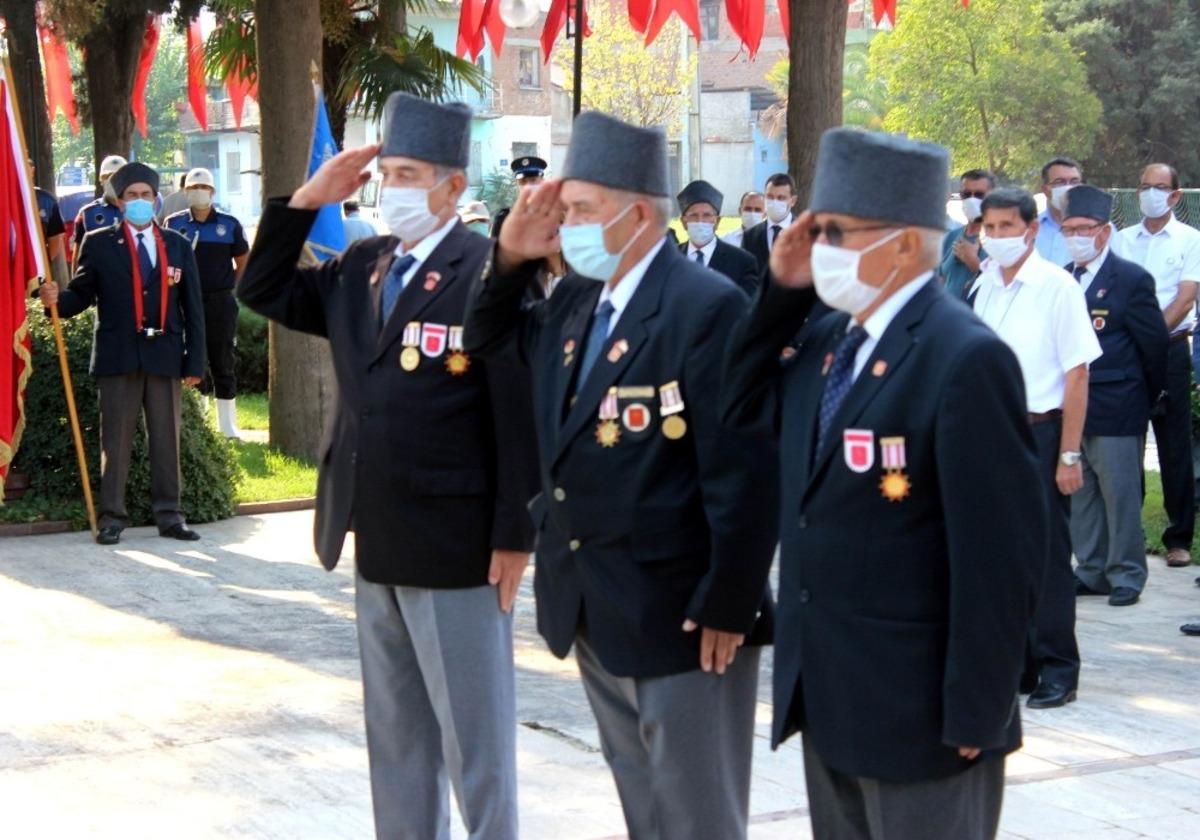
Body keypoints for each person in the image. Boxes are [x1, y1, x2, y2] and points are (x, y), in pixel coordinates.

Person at [720, 128, 1043, 840]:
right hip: (829, 696)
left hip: (922, 713)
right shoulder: (828, 342)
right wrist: (780, 292)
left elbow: (1001, 556)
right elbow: (735, 407)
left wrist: (979, 709)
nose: (819, 245)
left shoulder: (965, 359)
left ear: (902, 243)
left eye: (836, 231)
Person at [464, 111, 778, 840]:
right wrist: (509, 258)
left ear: (638, 214)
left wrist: (731, 601)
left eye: (579, 210)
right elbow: (488, 340)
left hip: (684, 612)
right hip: (593, 601)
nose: (565, 225)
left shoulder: (707, 307)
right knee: (644, 807)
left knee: (697, 816)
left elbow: (744, 469)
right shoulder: (577, 300)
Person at [237, 92, 538, 840]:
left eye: (410, 174)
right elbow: (260, 288)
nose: (392, 188)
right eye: (388, 174)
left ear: (453, 188)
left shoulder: (486, 273)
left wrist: (514, 534)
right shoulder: (363, 266)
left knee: (477, 744)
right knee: (397, 739)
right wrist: (307, 200)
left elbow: (516, 410)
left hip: (460, 545)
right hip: (375, 532)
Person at [973, 187, 1101, 709]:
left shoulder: (1055, 287)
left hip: (1041, 433)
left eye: (1008, 226)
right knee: (1000, 556)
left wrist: (1069, 454)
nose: (998, 236)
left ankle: (1057, 667)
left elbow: (1077, 375)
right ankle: (1019, 660)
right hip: (990, 436)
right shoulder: (983, 286)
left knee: (1047, 558)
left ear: (1031, 229)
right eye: (990, 226)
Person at [38, 162, 206, 546]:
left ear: (156, 198)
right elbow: (81, 294)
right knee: (114, 443)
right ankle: (112, 517)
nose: (140, 202)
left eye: (147, 195)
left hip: (165, 356)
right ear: (119, 201)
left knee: (167, 441)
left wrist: (194, 361)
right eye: (132, 196)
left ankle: (170, 516)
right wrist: (55, 301)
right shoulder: (98, 242)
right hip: (118, 356)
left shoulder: (178, 243)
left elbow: (194, 309)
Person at [1063, 186, 1169, 606]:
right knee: (1083, 493)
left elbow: (1154, 345)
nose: (1075, 236)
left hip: (1117, 402)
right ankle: (1091, 569)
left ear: (1104, 233)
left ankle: (1126, 572)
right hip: (1075, 406)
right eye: (1069, 228)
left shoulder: (1130, 279)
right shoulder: (1065, 276)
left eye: (1083, 229)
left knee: (1119, 493)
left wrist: (1145, 394)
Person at [1112, 163, 1200, 569]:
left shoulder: (1190, 240)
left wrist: (1148, 336)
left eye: (1160, 187)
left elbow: (1184, 300)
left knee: (1174, 446)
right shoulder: (1121, 241)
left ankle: (1178, 538)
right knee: (1126, 443)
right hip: (1127, 355)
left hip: (1170, 351)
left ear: (1176, 195)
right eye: (1144, 186)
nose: (1150, 193)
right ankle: (1127, 539)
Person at [164, 167, 249, 439]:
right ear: (185, 191)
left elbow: (243, 262)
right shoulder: (174, 223)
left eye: (203, 188)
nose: (198, 192)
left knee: (222, 358)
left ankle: (227, 427)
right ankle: (198, 424)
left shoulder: (230, 224)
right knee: (191, 360)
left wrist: (227, 287)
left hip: (220, 302)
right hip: (185, 302)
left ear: (212, 192)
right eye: (192, 188)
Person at [677, 179, 760, 297]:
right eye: (693, 215)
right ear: (683, 222)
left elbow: (747, 308)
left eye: (707, 215)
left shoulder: (742, 262)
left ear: (717, 221)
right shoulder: (669, 259)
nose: (700, 221)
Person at [939, 169, 993, 299]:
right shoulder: (951, 237)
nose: (972, 200)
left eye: (979, 195)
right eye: (966, 195)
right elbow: (939, 282)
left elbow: (1002, 286)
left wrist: (974, 262)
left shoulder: (1000, 240)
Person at [71, 154, 127, 262]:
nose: (113, 180)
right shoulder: (87, 214)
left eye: (118, 176)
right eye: (108, 176)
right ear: (101, 180)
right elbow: (78, 252)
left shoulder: (138, 211)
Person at [741, 172, 797, 271]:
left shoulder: (807, 233)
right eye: (770, 197)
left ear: (792, 201)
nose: (774, 202)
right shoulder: (750, 236)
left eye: (781, 198)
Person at [1034, 157, 1084, 267]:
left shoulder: (1100, 230)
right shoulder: (1029, 230)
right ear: (1045, 190)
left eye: (1074, 181)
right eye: (1060, 182)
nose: (1068, 187)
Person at [490, 155, 547, 239]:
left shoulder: (557, 216)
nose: (528, 186)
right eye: (523, 182)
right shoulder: (504, 219)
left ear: (542, 182)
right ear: (517, 184)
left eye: (533, 180)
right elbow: (494, 250)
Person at [34, 183, 68, 285]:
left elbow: (55, 240)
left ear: (32, 171)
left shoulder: (46, 201)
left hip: (36, 271)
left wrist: (41, 265)